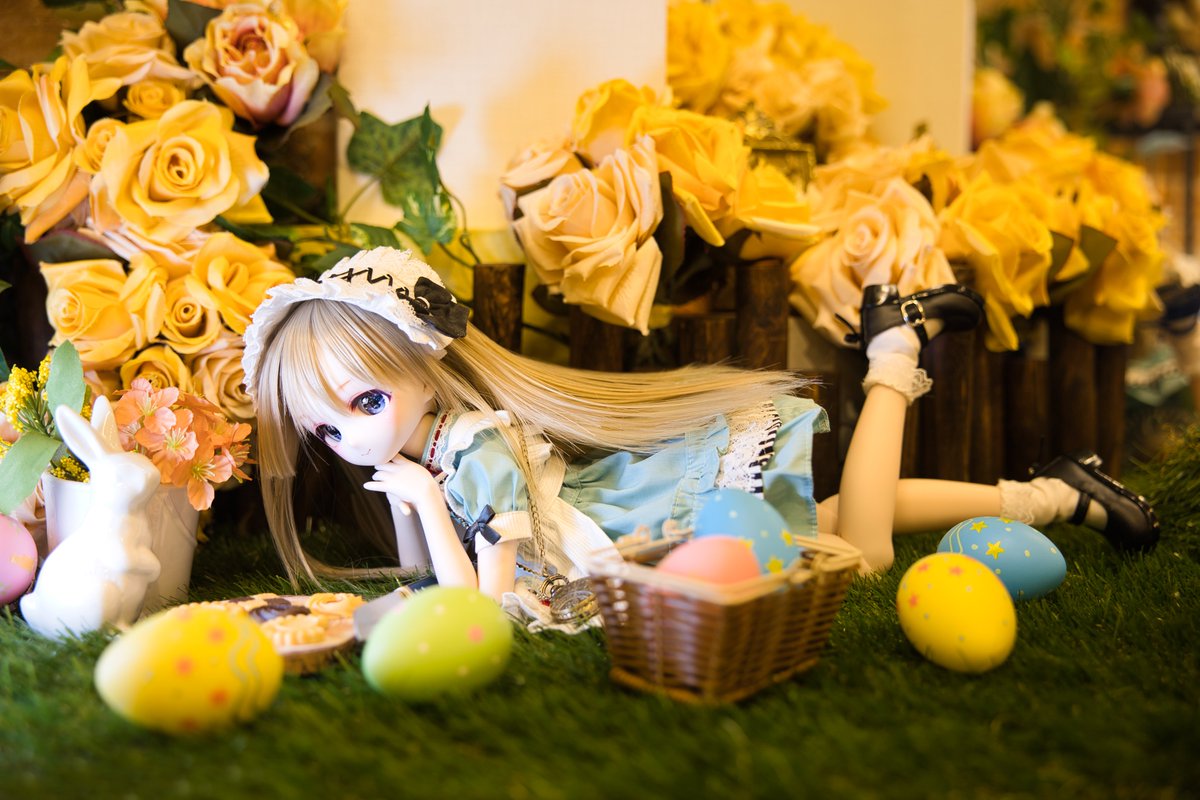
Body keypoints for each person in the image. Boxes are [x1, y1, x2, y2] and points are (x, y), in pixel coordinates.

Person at [242, 248, 1160, 601]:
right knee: (837, 517)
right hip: (632, 518)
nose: (350, 439)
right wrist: (409, 497)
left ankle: (893, 351)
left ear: (423, 369)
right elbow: (419, 576)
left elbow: (479, 608)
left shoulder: (471, 448)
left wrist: (422, 500)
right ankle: (1052, 496)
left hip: (638, 529)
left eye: (366, 404)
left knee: (865, 553)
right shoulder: (437, 453)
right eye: (325, 430)